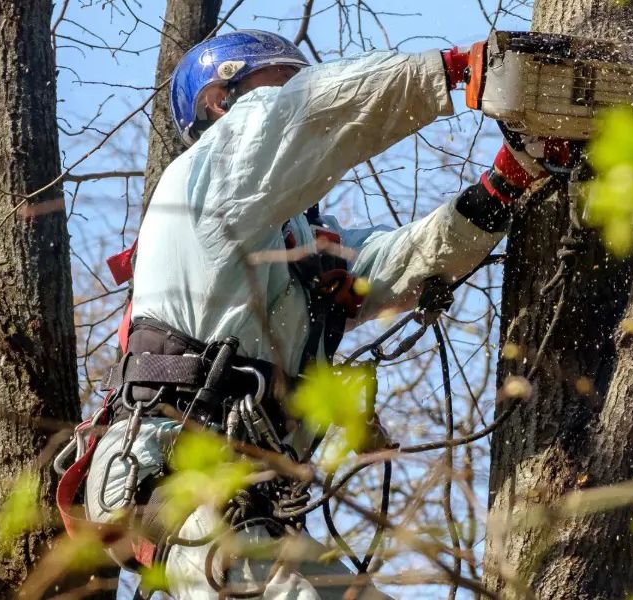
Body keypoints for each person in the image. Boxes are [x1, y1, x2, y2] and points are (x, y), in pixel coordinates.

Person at [81, 30, 557, 599]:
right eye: (282, 80)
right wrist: (457, 70)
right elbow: (306, 114)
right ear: (220, 101)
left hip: (248, 497)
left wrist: (506, 181)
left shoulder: (296, 244)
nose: (300, 88)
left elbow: (399, 263)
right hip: (169, 472)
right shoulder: (204, 179)